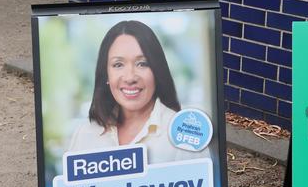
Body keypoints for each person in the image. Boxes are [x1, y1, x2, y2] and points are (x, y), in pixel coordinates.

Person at [69, 20, 208, 164]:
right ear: (106, 75)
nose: (130, 78)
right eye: (118, 64)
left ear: (157, 70)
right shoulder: (85, 134)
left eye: (142, 64)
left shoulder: (184, 133)